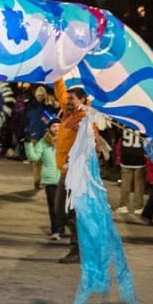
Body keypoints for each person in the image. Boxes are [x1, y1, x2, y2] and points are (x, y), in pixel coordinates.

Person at [54, 83, 90, 263]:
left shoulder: (83, 119)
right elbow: (59, 90)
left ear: (82, 100)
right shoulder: (68, 115)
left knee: (71, 211)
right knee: (60, 211)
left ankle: (77, 249)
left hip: (76, 174)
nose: (67, 101)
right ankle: (79, 247)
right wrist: (56, 69)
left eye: (71, 98)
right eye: (67, 98)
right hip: (65, 172)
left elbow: (91, 145)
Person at [26, 117, 63, 239]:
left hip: (65, 177)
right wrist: (28, 143)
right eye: (54, 126)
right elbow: (34, 157)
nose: (56, 128)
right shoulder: (44, 142)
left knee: (65, 206)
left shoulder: (67, 140)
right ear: (49, 128)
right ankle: (55, 230)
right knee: (53, 205)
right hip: (50, 178)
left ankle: (63, 226)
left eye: (58, 125)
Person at [115, 124, 147, 215]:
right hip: (139, 157)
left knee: (125, 183)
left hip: (126, 155)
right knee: (139, 185)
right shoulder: (142, 125)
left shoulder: (124, 124)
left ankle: (123, 205)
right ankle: (139, 206)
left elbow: (119, 138)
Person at [24, 86, 51, 190]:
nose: (40, 97)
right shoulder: (30, 107)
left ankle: (45, 180)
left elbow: (52, 120)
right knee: (36, 161)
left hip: (46, 136)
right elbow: (26, 121)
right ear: (36, 95)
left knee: (47, 159)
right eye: (38, 95)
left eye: (42, 95)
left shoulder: (47, 107)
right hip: (34, 136)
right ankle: (37, 181)